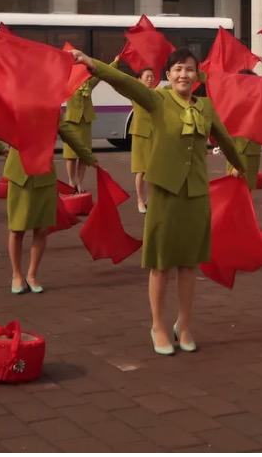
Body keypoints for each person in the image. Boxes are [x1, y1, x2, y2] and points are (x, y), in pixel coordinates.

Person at [73, 46, 247, 356]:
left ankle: (185, 323)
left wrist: (240, 167)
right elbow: (124, 83)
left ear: (197, 76)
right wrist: (93, 64)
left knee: (189, 265)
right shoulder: (157, 99)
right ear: (168, 75)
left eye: (189, 69)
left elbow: (224, 138)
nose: (184, 74)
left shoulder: (205, 106)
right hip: (166, 192)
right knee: (161, 265)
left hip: (196, 194)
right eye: (178, 69)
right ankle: (158, 325)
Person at [0, 99, 97, 295]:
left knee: (41, 229)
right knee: (17, 228)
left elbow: (70, 135)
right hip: (20, 176)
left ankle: (32, 274)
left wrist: (90, 158)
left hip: (44, 177)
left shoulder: (53, 111)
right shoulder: (14, 107)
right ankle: (17, 274)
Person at [62, 62, 107, 194]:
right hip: (72, 122)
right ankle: (71, 181)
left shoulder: (89, 84)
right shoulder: (67, 84)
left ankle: (80, 183)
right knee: (71, 156)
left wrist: (115, 63)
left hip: (85, 123)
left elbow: (101, 74)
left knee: (83, 156)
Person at [128, 67, 158, 214]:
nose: (150, 79)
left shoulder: (156, 94)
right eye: (147, 76)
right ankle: (140, 200)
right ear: (139, 78)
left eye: (152, 76)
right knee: (141, 170)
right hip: (140, 134)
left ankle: (150, 200)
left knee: (153, 170)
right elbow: (123, 82)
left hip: (154, 134)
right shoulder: (136, 92)